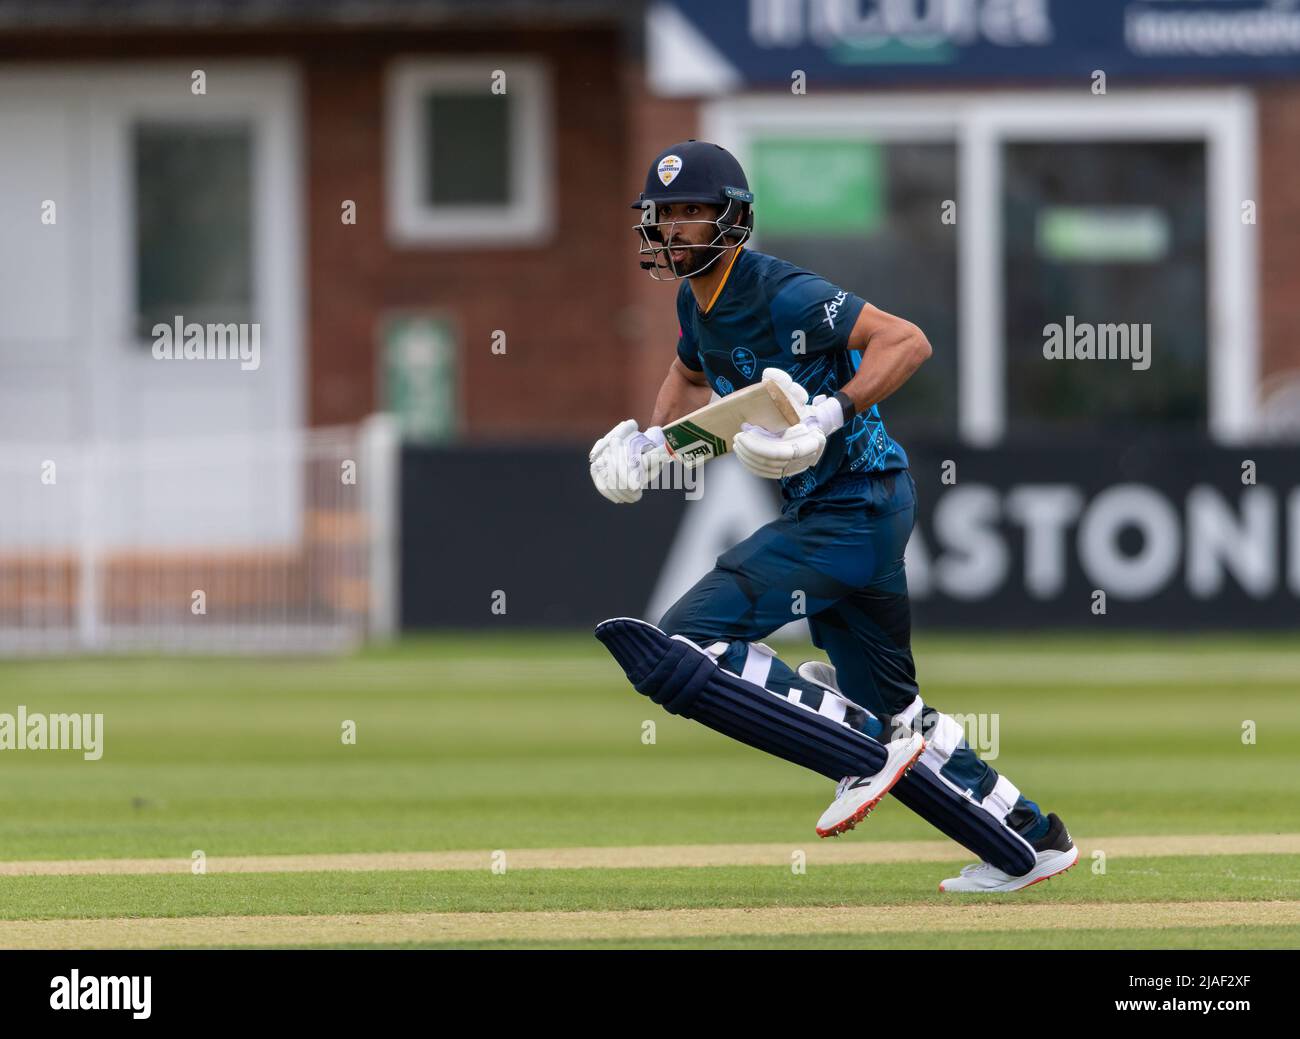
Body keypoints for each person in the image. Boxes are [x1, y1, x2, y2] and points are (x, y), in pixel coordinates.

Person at [590, 140, 1076, 892]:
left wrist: (830, 412)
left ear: (732, 218)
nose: (675, 227)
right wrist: (653, 441)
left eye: (692, 212)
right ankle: (1030, 836)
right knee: (900, 711)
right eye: (665, 214)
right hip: (849, 507)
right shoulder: (696, 301)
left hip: (854, 504)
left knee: (688, 635)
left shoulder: (781, 290)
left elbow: (906, 339)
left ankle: (851, 745)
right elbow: (690, 373)